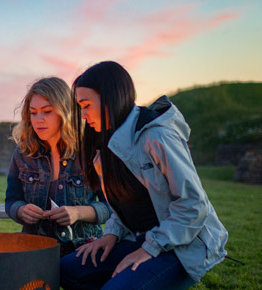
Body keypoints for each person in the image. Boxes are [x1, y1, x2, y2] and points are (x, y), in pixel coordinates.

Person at [59, 61, 228, 290]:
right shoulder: (105, 146)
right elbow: (123, 204)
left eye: (86, 105)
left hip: (182, 245)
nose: (83, 115)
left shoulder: (157, 137)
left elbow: (193, 206)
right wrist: (111, 234)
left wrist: (149, 249)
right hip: (140, 238)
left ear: (111, 97)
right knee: (66, 270)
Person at [5, 77, 112, 257]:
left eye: (47, 112)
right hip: (35, 246)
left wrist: (79, 212)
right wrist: (21, 211)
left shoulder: (91, 152)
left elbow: (111, 208)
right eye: (33, 113)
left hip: (82, 248)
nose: (38, 120)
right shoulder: (23, 153)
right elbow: (11, 201)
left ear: (65, 112)